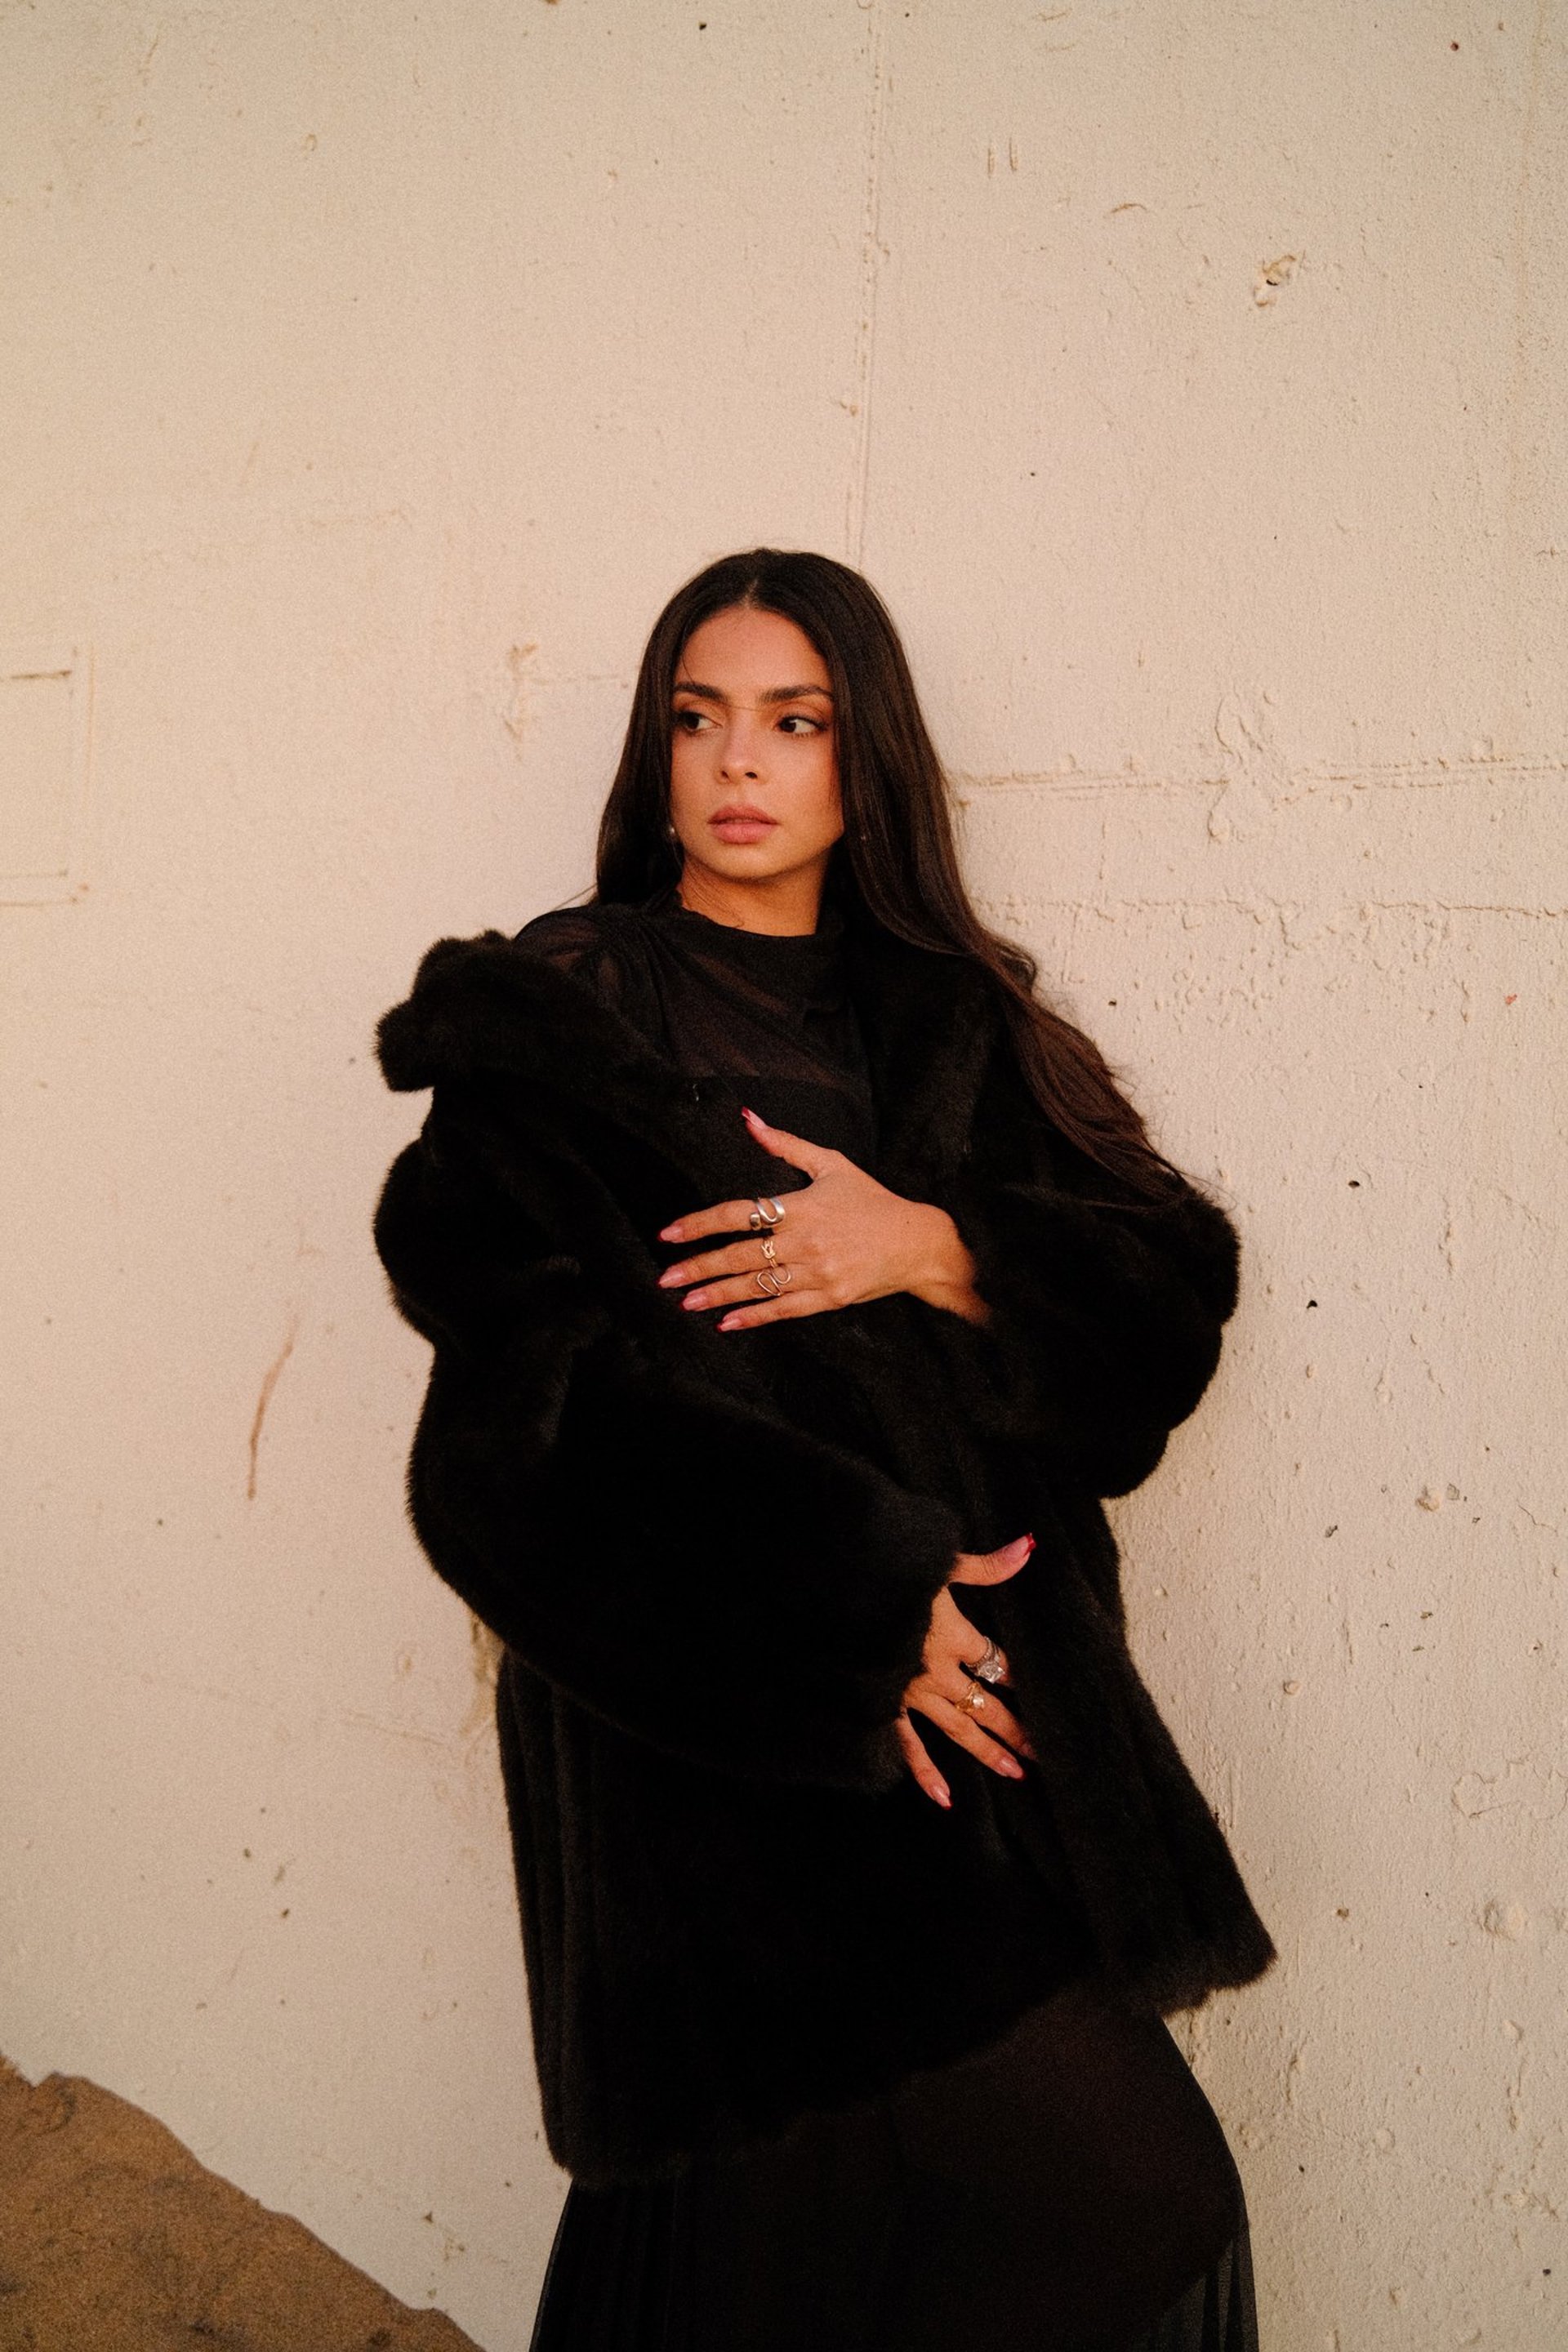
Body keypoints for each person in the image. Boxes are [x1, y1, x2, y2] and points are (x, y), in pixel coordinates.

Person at [373, 549, 1275, 2350]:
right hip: (731, 1766)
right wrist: (852, 1609)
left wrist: (933, 1245)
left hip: (984, 1755)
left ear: (870, 762)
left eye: (796, 721)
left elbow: (1163, 1310)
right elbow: (505, 1458)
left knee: (786, 2278)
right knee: (1133, 2196)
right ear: (655, 751)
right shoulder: (575, 1005)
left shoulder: (950, 1017)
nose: (740, 761)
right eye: (699, 716)